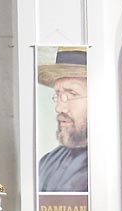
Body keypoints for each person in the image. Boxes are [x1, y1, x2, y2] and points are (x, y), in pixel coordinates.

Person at [38, 47, 88, 192]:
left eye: (71, 94)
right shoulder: (47, 162)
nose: (59, 108)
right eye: (58, 95)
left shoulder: (111, 161)